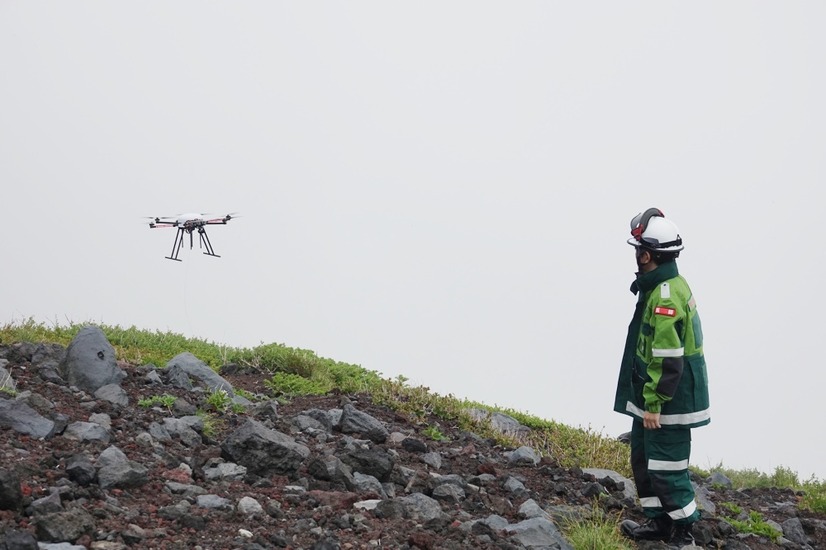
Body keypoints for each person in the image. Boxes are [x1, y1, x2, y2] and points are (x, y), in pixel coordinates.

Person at [614, 208, 710, 547]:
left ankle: (684, 533)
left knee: (667, 466)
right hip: (651, 394)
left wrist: (654, 404)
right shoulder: (660, 287)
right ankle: (658, 523)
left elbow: (668, 360)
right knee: (643, 459)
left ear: (647, 255)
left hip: (667, 399)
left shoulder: (666, 297)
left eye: (638, 250)